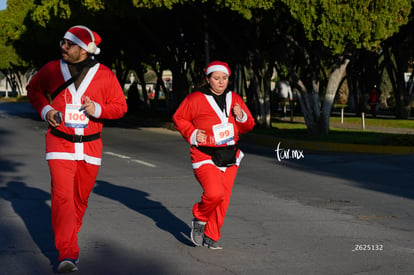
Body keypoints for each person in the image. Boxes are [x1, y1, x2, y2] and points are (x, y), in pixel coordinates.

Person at [27, 25, 127, 273]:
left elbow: (120, 107)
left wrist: (98, 110)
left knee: (80, 200)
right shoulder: (52, 69)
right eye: (63, 42)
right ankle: (67, 254)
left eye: (68, 44)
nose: (63, 46)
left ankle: (70, 232)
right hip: (59, 142)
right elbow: (34, 90)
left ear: (84, 50)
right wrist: (46, 110)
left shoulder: (105, 75)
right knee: (62, 198)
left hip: (91, 146)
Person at [173, 61, 255, 250]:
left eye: (224, 78)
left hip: (229, 155)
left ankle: (211, 236)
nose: (220, 82)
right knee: (214, 194)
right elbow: (179, 118)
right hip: (204, 154)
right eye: (216, 78)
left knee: (223, 199)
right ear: (208, 78)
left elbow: (248, 125)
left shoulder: (234, 98)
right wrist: (193, 133)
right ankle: (200, 219)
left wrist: (241, 115)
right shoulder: (195, 98)